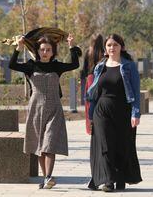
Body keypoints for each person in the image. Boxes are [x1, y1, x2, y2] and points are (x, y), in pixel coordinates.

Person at [9, 34, 80, 189]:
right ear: (38, 51)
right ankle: (46, 177)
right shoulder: (30, 66)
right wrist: (19, 48)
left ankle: (48, 176)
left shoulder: (56, 66)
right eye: (42, 50)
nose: (45, 52)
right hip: (36, 108)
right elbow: (12, 65)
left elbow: (75, 64)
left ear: (53, 52)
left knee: (49, 143)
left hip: (54, 108)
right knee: (39, 145)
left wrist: (72, 45)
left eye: (48, 50)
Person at [86, 33, 142, 192]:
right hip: (102, 110)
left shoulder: (129, 66)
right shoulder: (100, 66)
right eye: (109, 45)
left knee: (121, 145)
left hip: (123, 110)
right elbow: (95, 92)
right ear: (105, 48)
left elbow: (136, 92)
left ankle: (120, 177)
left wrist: (135, 113)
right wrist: (90, 115)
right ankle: (107, 180)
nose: (112, 48)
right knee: (104, 144)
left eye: (115, 45)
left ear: (121, 47)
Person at [81, 34, 104, 134]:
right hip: (101, 79)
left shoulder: (88, 52)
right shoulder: (103, 53)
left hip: (90, 79)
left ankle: (90, 127)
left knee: (89, 104)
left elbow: (84, 69)